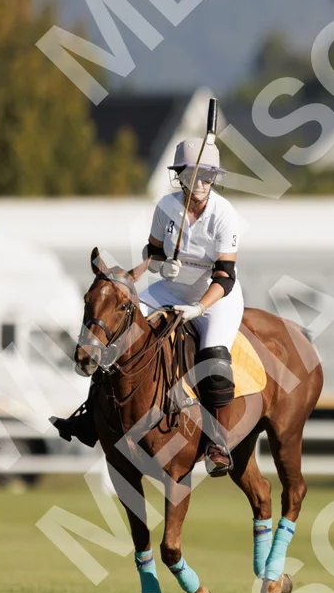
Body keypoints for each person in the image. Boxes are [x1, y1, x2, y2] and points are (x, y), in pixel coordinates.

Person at [51, 139, 244, 475]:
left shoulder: (224, 214)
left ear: (214, 178)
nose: (200, 183)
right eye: (192, 175)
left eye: (206, 176)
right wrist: (151, 268)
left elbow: (225, 276)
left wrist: (199, 309)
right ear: (180, 176)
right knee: (117, 336)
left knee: (215, 359)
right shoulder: (166, 207)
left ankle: (218, 443)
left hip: (215, 298)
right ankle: (89, 418)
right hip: (169, 288)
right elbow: (153, 251)